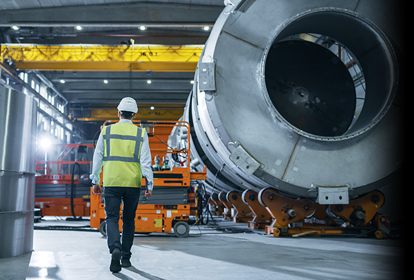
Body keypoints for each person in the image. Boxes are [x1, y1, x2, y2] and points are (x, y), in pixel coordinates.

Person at [90, 97, 153, 273]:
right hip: (132, 183)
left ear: (118, 113)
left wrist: (95, 180)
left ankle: (114, 248)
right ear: (134, 115)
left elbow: (98, 157)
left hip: (111, 181)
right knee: (128, 220)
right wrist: (149, 184)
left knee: (111, 217)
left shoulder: (107, 131)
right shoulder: (141, 133)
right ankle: (125, 257)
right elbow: (146, 161)